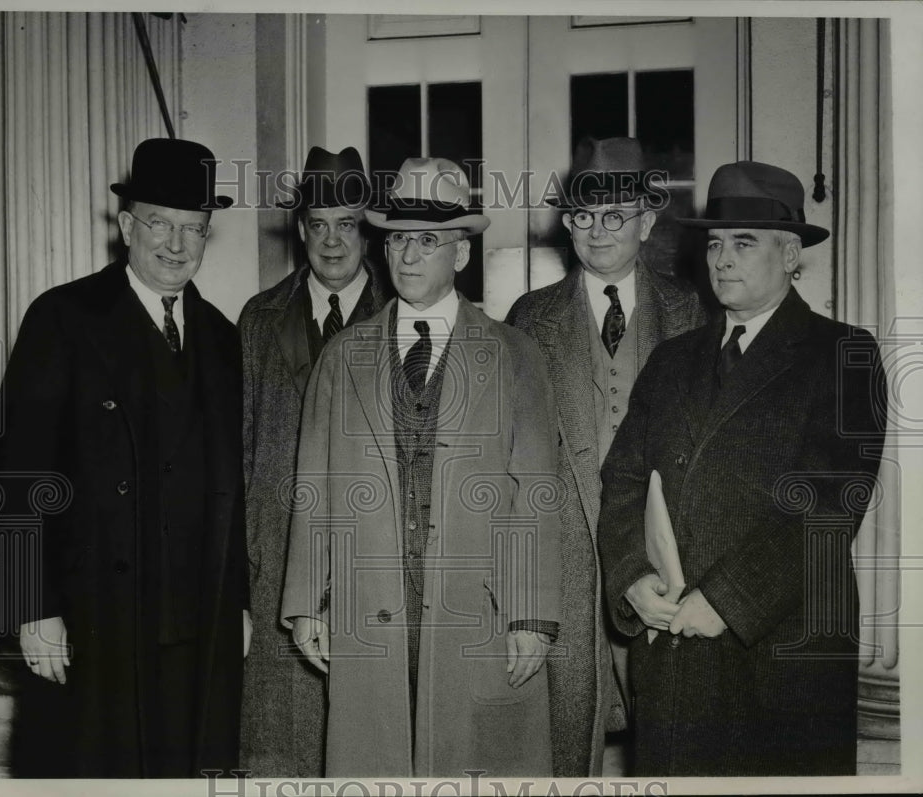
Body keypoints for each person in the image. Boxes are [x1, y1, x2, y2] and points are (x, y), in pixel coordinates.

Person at [597, 160, 888, 776]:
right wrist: (629, 575)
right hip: (673, 660)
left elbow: (827, 506)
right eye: (715, 243)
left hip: (780, 665)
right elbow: (621, 481)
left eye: (744, 243)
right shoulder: (672, 361)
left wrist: (726, 599)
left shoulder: (844, 354)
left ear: (790, 256)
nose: (722, 259)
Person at [280, 157, 562, 777]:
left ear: (460, 255)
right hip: (369, 609)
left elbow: (536, 492)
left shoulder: (515, 356)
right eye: (397, 238)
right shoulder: (343, 356)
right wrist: (307, 599)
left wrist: (532, 616)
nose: (407, 255)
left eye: (427, 240)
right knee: (372, 760)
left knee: (477, 765)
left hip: (476, 610)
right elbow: (315, 485)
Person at [0, 138, 249, 777]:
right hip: (95, 616)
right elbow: (18, 472)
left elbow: (238, 488)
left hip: (199, 619)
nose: (175, 244)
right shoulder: (63, 317)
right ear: (127, 225)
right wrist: (32, 604)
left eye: (193, 229)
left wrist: (240, 603)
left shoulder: (223, 337)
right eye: (159, 223)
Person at [506, 136, 706, 775]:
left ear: (647, 222)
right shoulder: (529, 318)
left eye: (615, 214)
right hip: (561, 564)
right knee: (564, 744)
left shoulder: (693, 311)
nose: (596, 230)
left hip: (663, 564)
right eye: (582, 215)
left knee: (671, 741)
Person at [237, 145, 390, 776]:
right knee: (284, 757)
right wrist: (241, 590)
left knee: (374, 752)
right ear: (301, 231)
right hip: (277, 575)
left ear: (368, 232)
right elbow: (239, 457)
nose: (332, 242)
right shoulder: (257, 319)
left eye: (347, 224)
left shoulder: (403, 316)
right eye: (319, 225)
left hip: (377, 569)